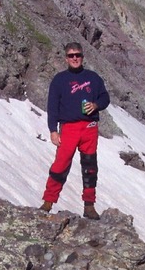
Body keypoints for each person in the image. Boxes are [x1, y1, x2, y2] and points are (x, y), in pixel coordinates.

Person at [40, 42, 110, 220]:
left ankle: (89, 206)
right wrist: (53, 130)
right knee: (60, 164)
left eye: (77, 55)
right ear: (66, 58)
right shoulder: (59, 80)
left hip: (89, 128)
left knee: (90, 167)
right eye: (71, 55)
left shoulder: (93, 78)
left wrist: (96, 105)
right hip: (69, 128)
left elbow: (105, 97)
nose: (75, 58)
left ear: (82, 57)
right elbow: (52, 107)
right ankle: (48, 201)